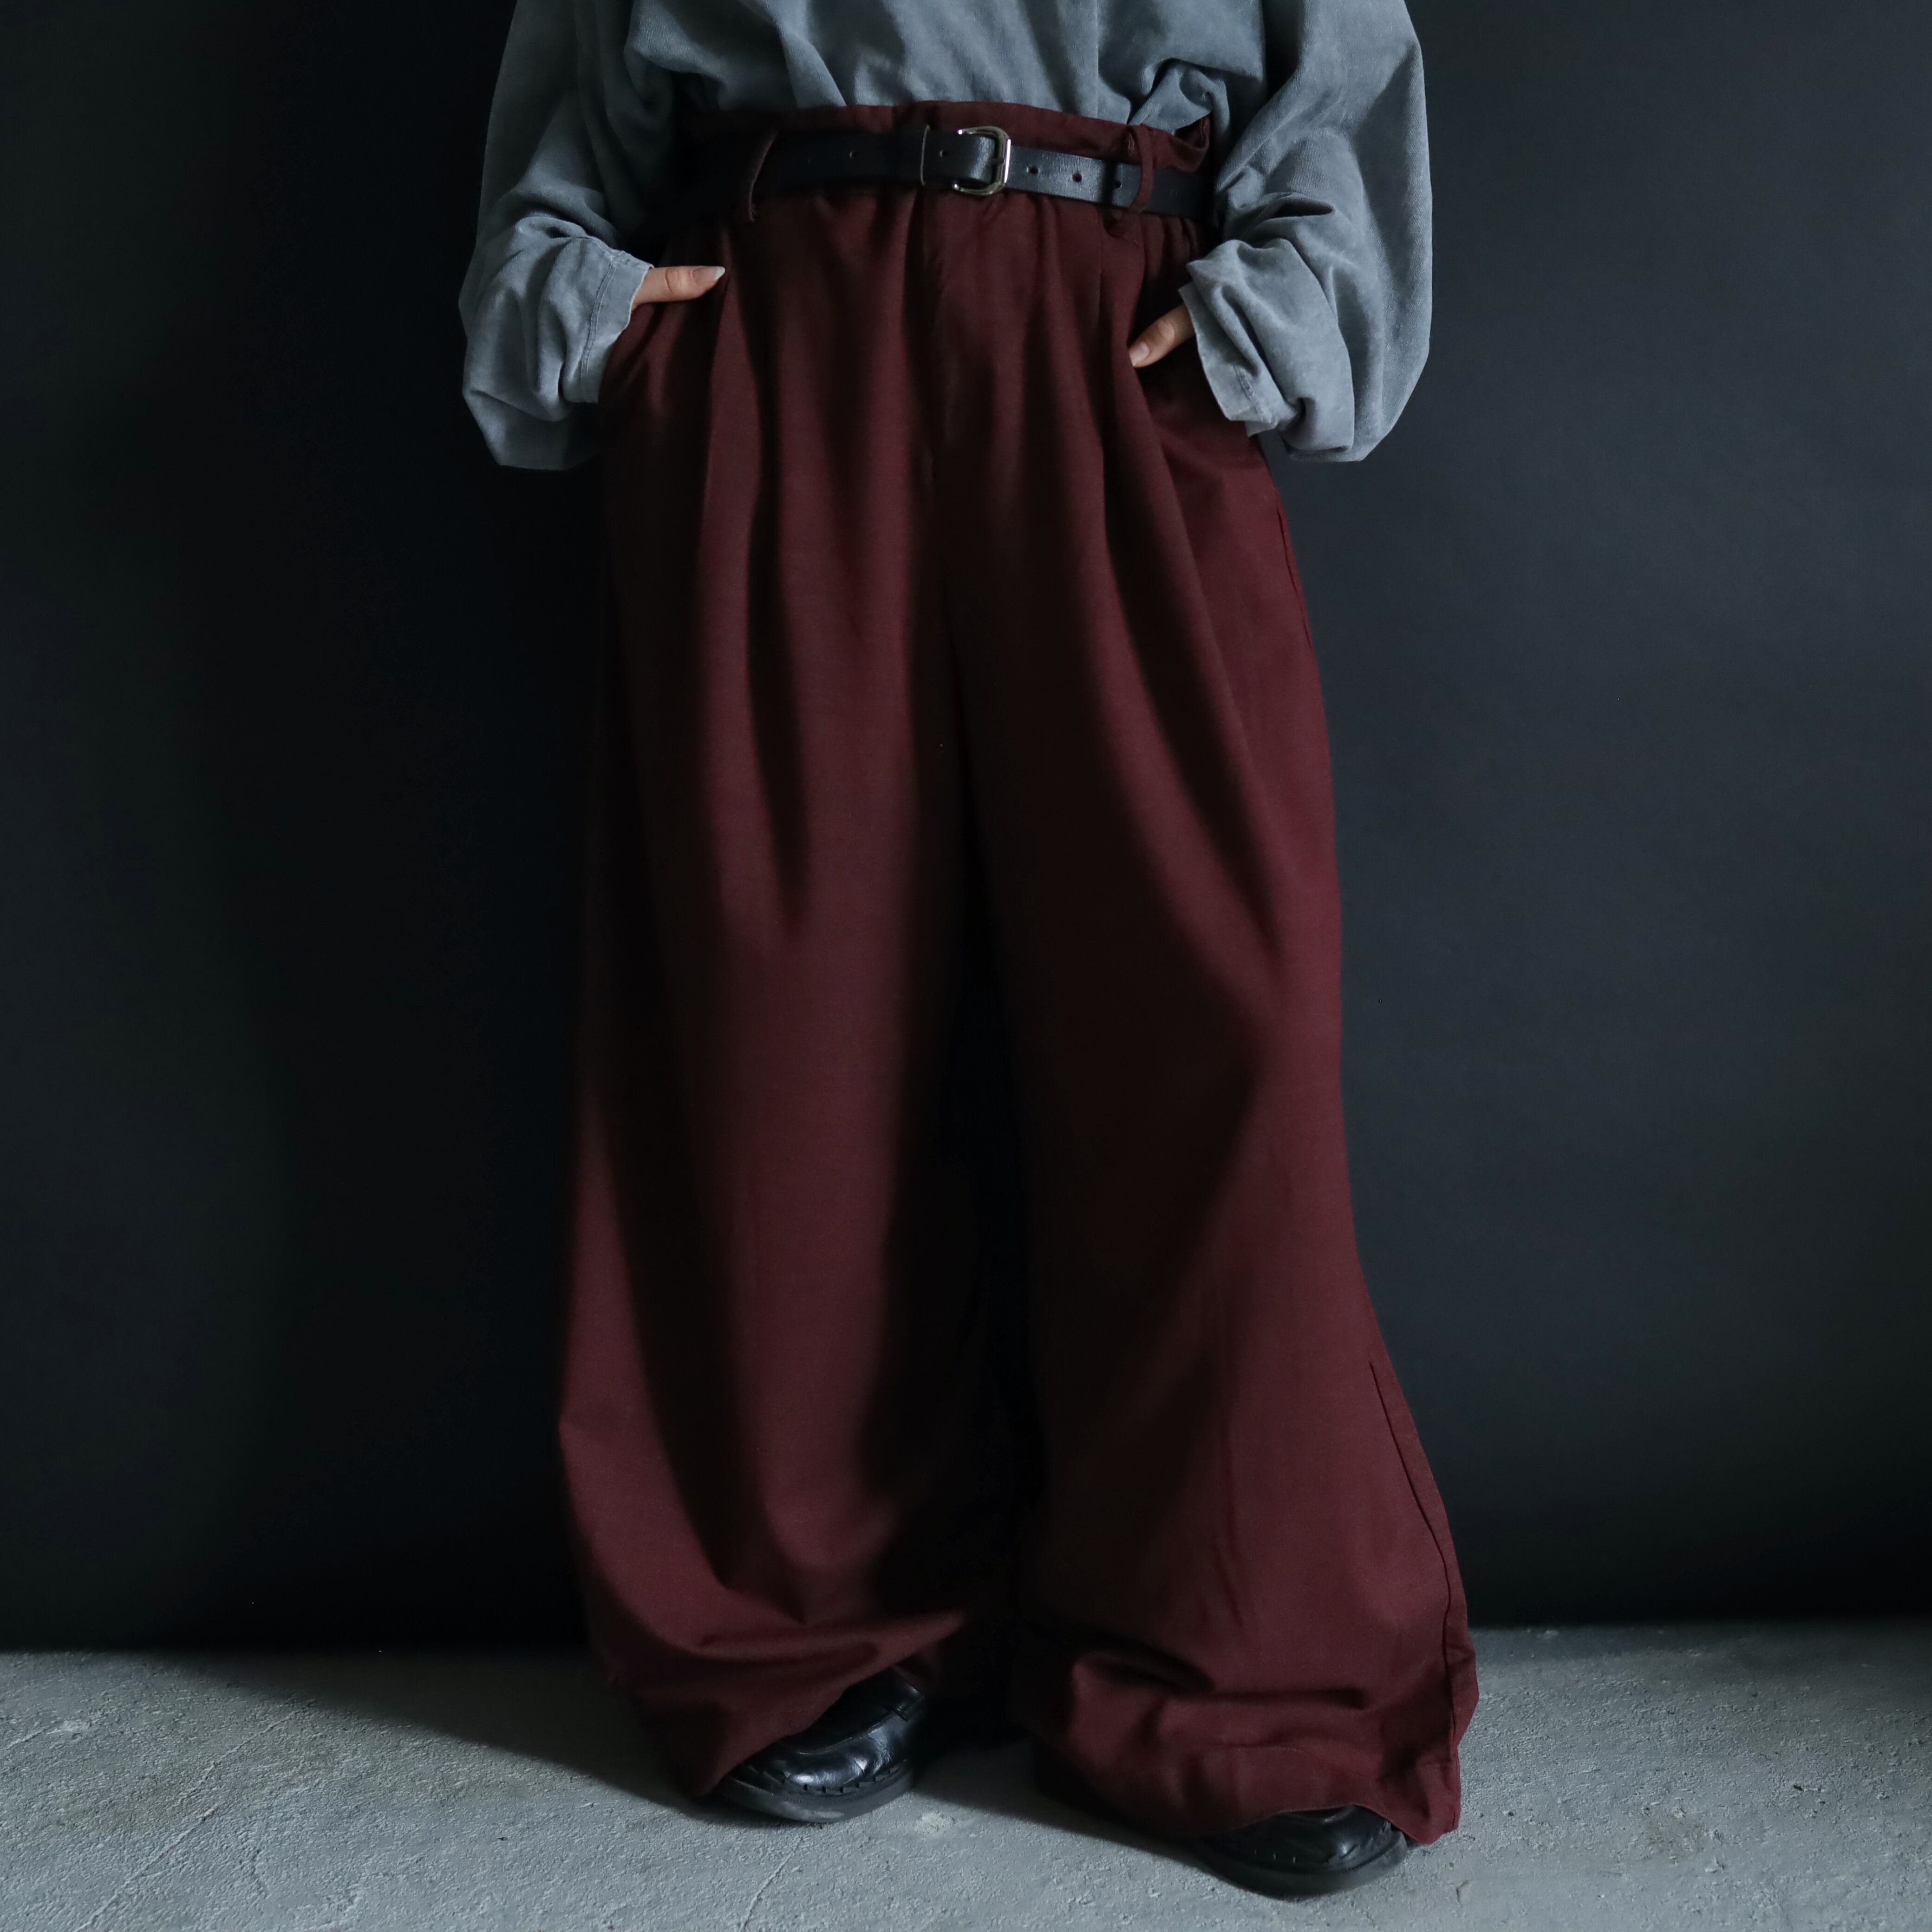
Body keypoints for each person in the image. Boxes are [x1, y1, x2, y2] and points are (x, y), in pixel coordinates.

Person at [458, 0, 1477, 1900]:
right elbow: (571, 125)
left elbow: (1340, 93)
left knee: (1208, 1016)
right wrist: (592, 312)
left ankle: (1240, 1666)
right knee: (782, 1019)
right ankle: (808, 1619)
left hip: (1112, 331)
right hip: (779, 338)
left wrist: (1259, 323)